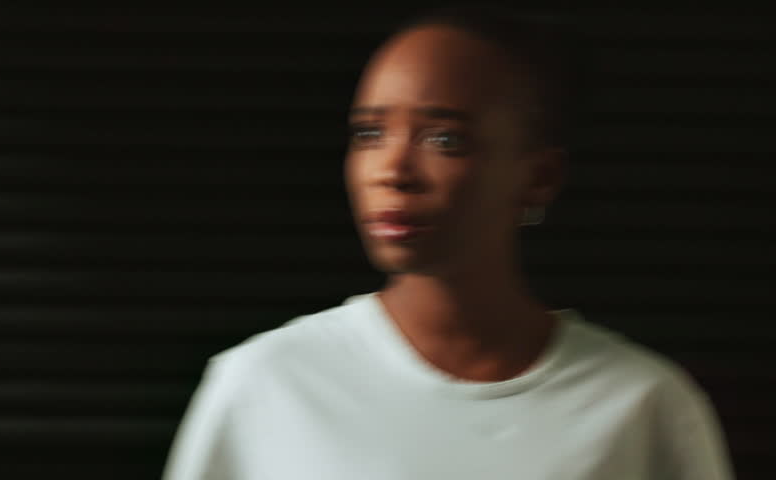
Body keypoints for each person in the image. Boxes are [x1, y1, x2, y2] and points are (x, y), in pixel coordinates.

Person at [162, 6, 735, 479]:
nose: (393, 169)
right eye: (369, 133)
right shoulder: (264, 386)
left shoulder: (642, 406)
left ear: (539, 177)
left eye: (444, 138)